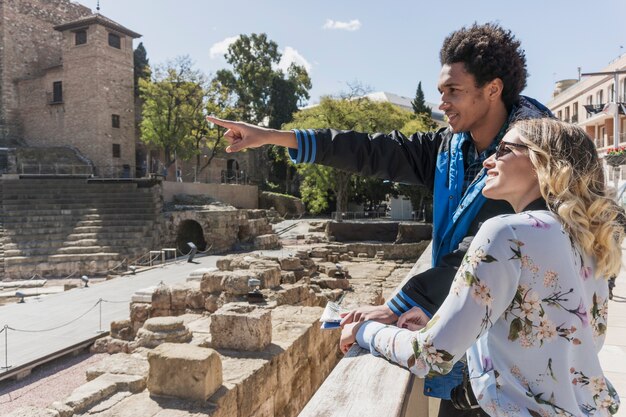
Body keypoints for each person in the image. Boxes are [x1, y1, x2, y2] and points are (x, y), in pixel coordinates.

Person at [206, 22, 552, 416]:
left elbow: (479, 253)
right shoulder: (451, 148)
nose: (442, 103)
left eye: (453, 91)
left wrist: (398, 305)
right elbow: (370, 150)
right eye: (440, 91)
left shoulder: (533, 163)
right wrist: (272, 136)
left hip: (516, 364)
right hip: (465, 355)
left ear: (493, 89)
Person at [341, 118, 623, 416]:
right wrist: (447, 326)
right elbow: (544, 342)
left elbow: (429, 357)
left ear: (543, 161)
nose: (488, 160)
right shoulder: (590, 241)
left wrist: (364, 331)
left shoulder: (505, 232)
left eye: (504, 150)